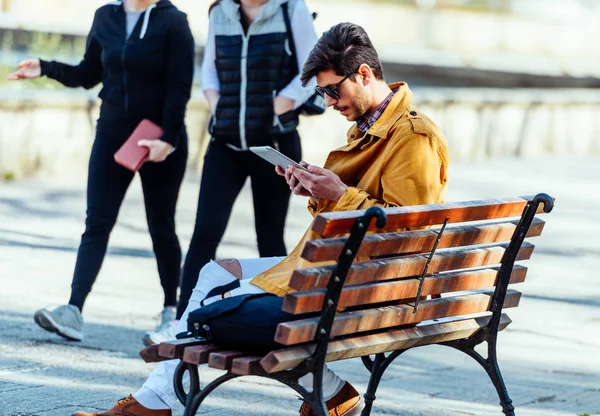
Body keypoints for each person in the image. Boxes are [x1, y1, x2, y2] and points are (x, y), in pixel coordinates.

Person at [71, 22, 450, 416]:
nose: (330, 102)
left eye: (332, 90)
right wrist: (317, 193)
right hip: (340, 272)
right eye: (321, 94)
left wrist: (338, 193)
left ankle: (153, 405)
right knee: (214, 275)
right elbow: (364, 210)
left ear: (365, 75)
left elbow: (409, 235)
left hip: (368, 284)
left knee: (219, 307)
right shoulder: (372, 129)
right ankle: (162, 401)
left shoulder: (412, 138)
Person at [7, 0, 195, 342]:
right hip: (111, 134)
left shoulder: (173, 22)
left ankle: (172, 313)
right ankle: (73, 310)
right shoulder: (105, 16)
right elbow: (88, 74)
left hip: (157, 139)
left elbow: (180, 86)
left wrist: (167, 139)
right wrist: (45, 67)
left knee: (161, 226)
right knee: (97, 221)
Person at [142, 0, 320, 346]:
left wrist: (274, 108)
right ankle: (180, 324)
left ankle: (278, 324)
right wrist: (219, 106)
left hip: (275, 144)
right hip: (224, 143)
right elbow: (209, 69)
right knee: (204, 234)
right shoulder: (219, 11)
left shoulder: (289, 9)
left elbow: (311, 71)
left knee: (269, 237)